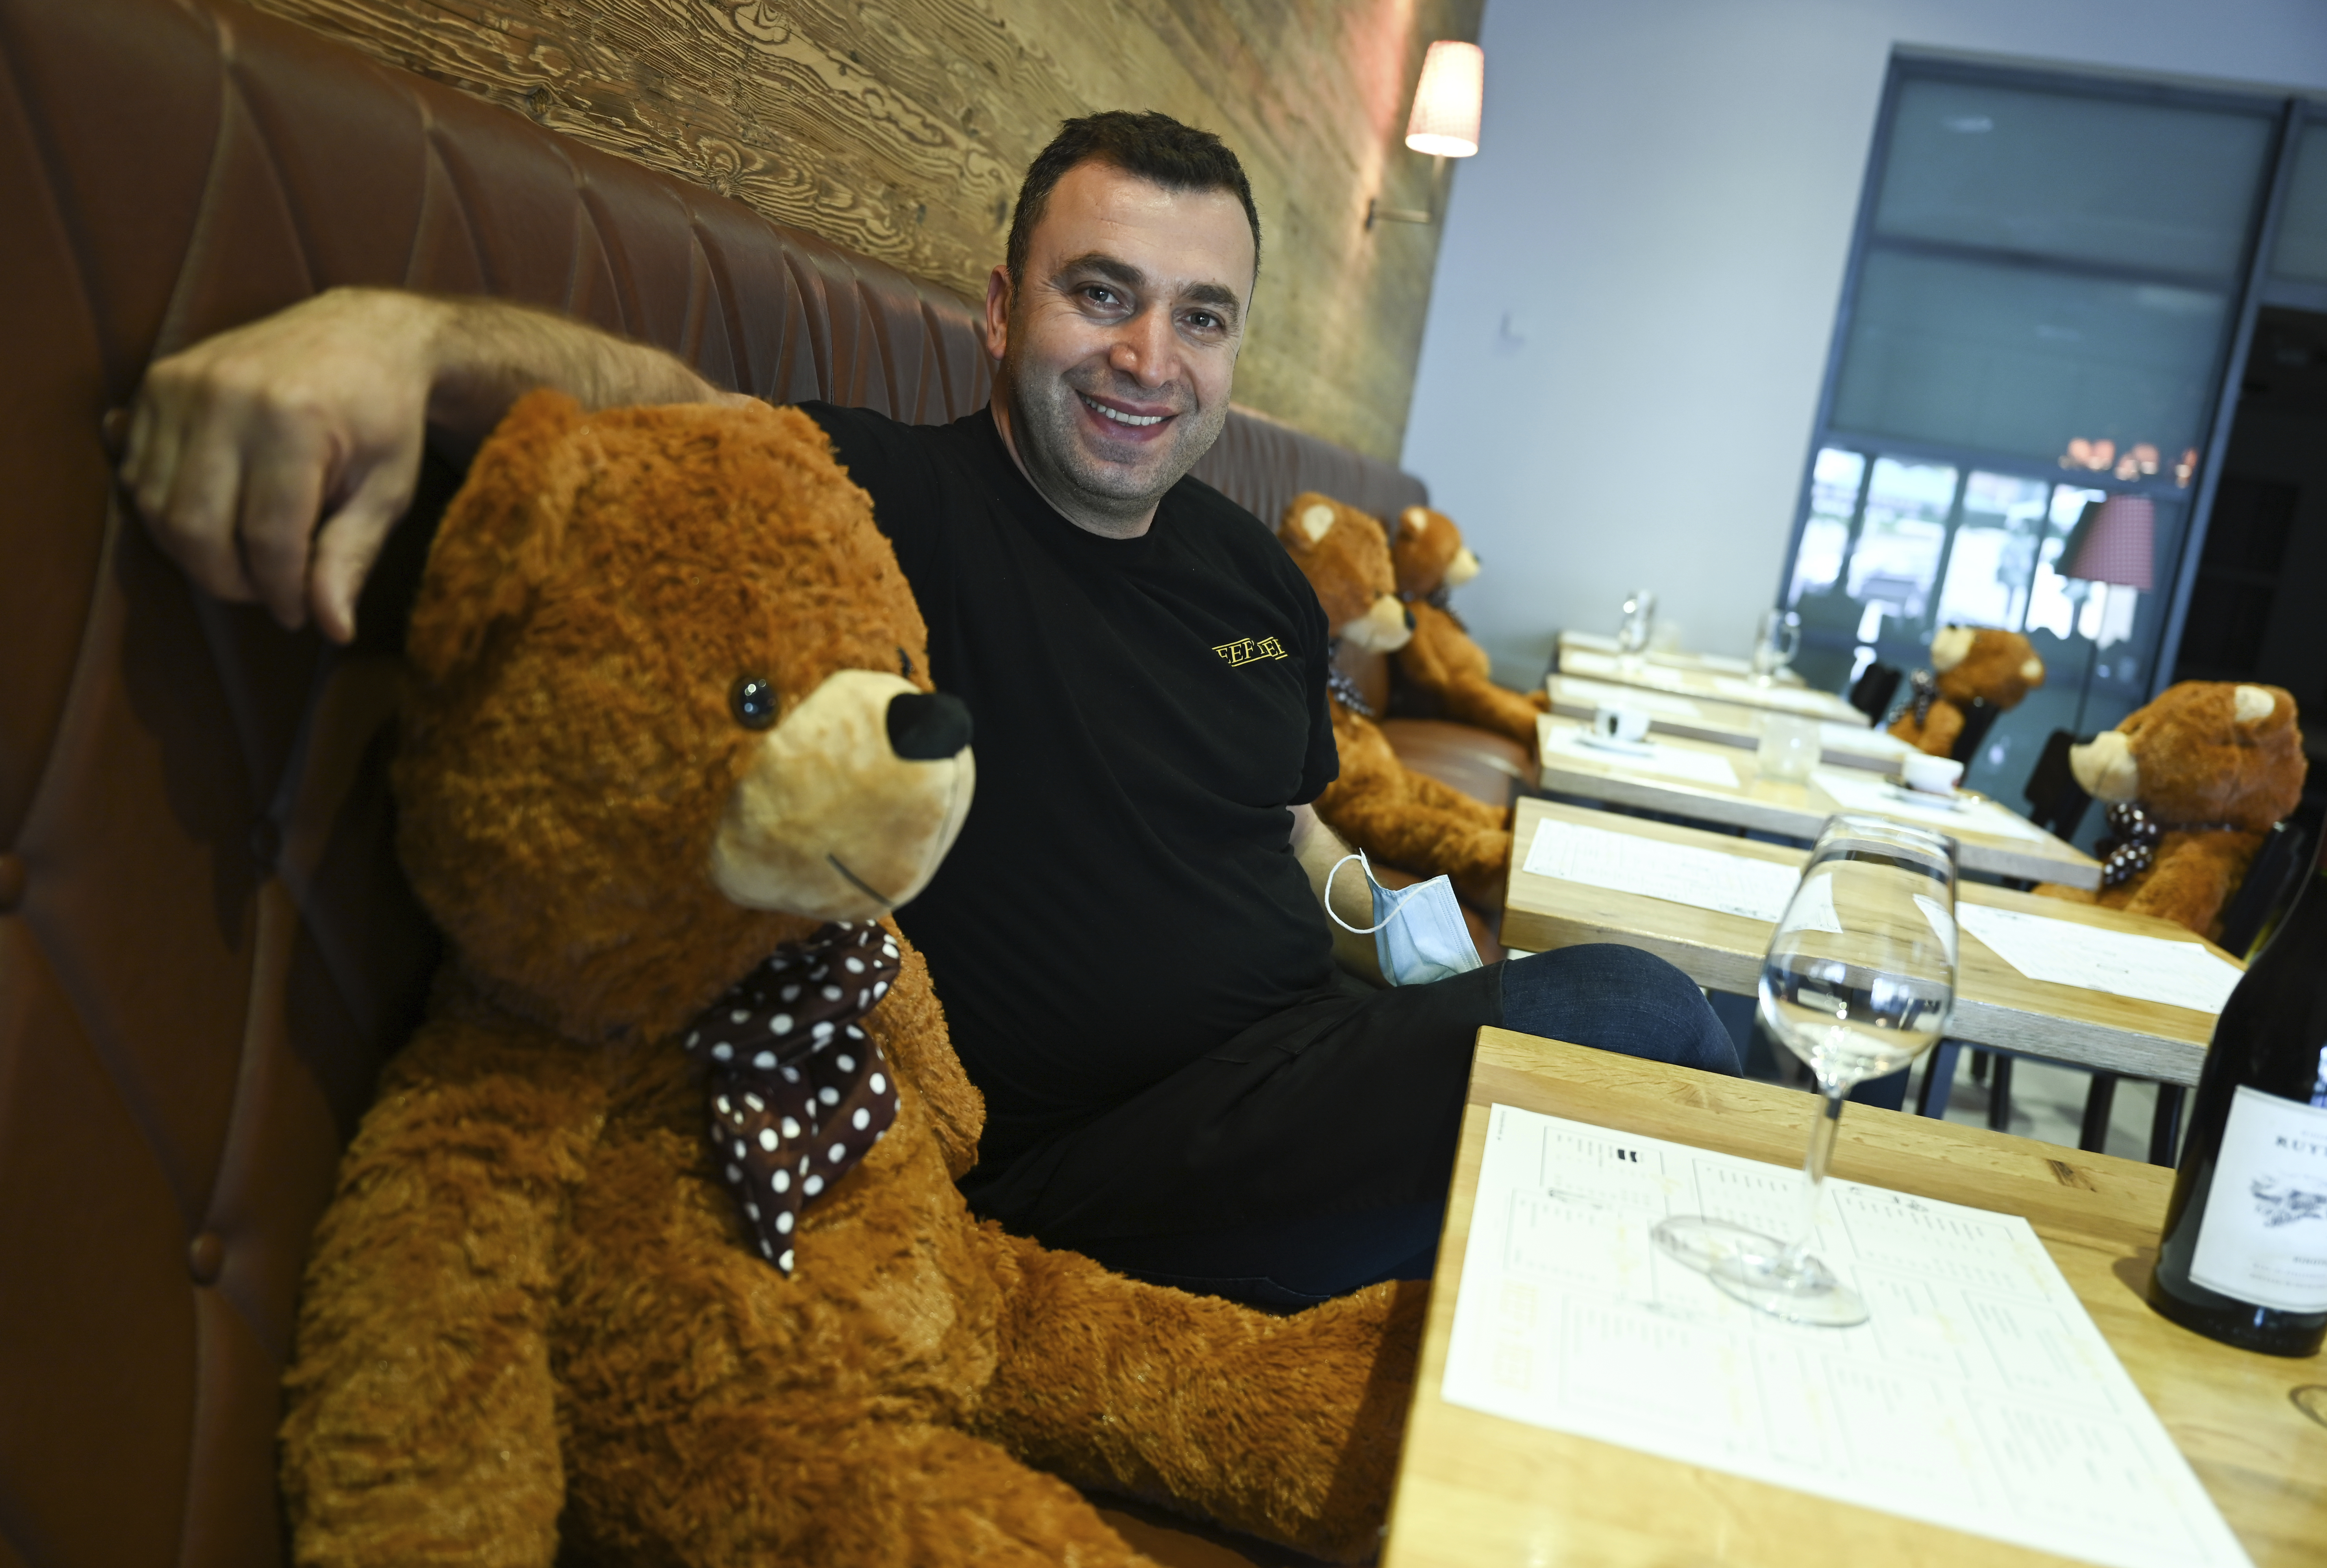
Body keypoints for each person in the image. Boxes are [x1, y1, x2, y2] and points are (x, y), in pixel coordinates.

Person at [120, 111, 1739, 1307]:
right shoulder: (884, 500)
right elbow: (660, 413)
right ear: (998, 308)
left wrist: (1378, 912)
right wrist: (404, 337)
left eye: (1197, 315)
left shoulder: (1246, 568)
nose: (1144, 359)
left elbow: (1285, 810)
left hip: (1308, 1066)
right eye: (1097, 294)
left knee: (1667, 1066)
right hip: (1077, 1174)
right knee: (1629, 1024)